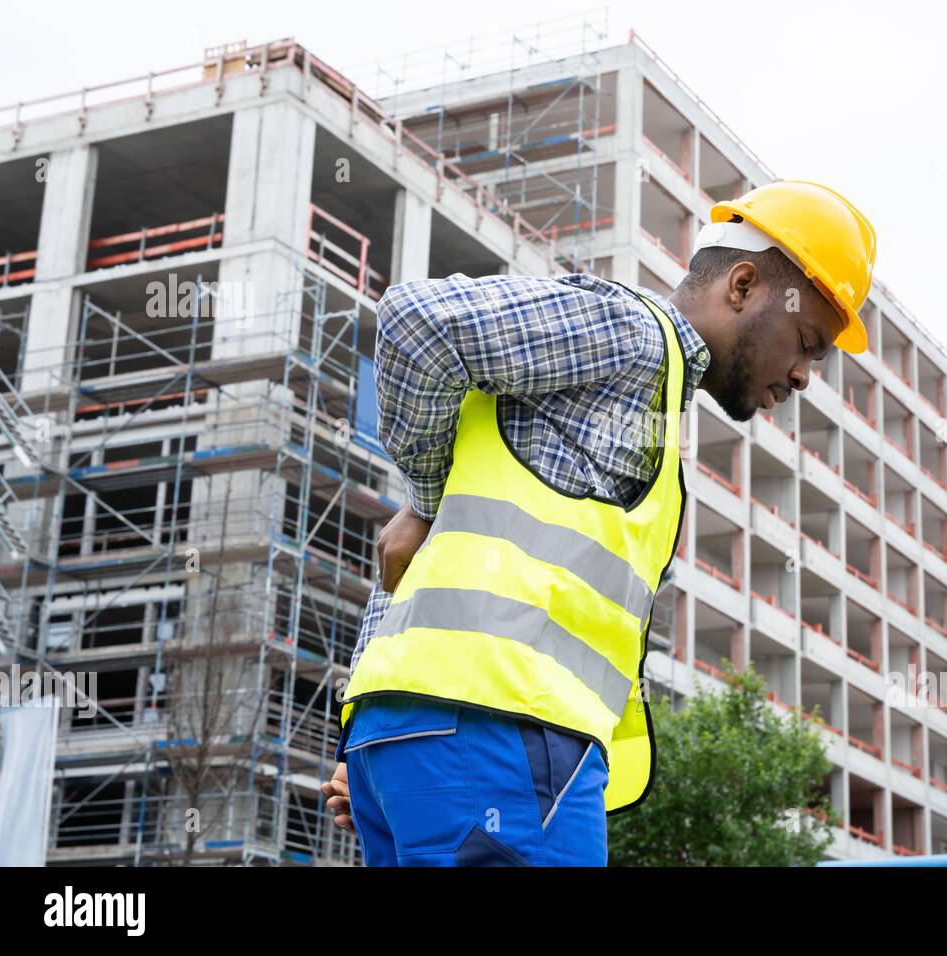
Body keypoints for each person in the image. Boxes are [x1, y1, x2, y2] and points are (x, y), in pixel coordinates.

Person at [321, 181, 876, 865]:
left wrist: (378, 736)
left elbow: (429, 560)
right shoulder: (636, 340)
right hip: (504, 739)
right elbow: (416, 320)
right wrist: (425, 500)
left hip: (418, 740)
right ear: (742, 285)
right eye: (805, 341)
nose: (802, 377)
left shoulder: (653, 396)